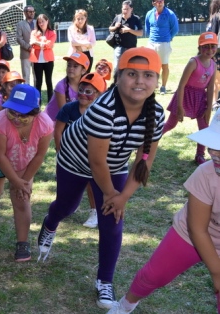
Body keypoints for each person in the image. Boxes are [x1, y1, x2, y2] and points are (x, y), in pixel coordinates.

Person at [36, 47, 166, 309]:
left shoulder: (157, 114)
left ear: (157, 79)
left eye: (148, 75)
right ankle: (49, 225)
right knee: (67, 206)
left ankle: (104, 281)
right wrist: (110, 194)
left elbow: (144, 161)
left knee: (113, 221)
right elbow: (96, 162)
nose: (140, 82)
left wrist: (123, 198)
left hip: (114, 165)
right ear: (118, 77)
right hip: (75, 160)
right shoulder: (103, 109)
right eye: (132, 74)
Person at [106, 109, 220, 314]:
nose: (214, 153)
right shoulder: (205, 173)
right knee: (154, 275)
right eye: (213, 145)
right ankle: (126, 305)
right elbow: (197, 229)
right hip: (193, 233)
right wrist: (217, 272)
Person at [0, 84, 53, 262]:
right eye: (12, 112)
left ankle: (22, 242)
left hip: (24, 160)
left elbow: (40, 155)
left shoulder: (46, 124)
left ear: (36, 112)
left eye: (24, 114)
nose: (17, 118)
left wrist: (24, 182)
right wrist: (15, 180)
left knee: (21, 198)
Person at [53, 72, 108, 229]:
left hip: (91, 157)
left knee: (91, 184)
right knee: (65, 182)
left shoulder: (101, 113)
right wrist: (60, 151)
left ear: (99, 94)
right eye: (81, 90)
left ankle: (94, 211)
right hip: (69, 155)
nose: (83, 94)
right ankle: (65, 206)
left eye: (89, 92)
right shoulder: (69, 108)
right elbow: (58, 131)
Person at [162, 33, 217, 165]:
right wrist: (180, 107)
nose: (209, 50)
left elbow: (210, 88)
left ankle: (200, 154)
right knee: (171, 124)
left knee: (204, 128)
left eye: (213, 47)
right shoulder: (194, 62)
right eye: (206, 47)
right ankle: (148, 141)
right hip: (185, 95)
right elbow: (181, 85)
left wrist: (209, 108)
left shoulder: (213, 65)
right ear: (199, 47)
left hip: (200, 98)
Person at [145, 0, 179, 94]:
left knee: (164, 65)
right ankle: (152, 85)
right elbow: (148, 28)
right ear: (153, 3)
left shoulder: (170, 14)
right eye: (158, 2)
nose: (160, 3)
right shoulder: (149, 14)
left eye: (162, 1)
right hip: (151, 43)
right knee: (150, 66)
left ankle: (163, 86)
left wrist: (169, 37)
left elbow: (175, 29)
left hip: (164, 43)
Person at [45, 52, 89, 121]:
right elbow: (64, 113)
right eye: (69, 65)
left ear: (83, 71)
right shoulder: (61, 86)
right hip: (53, 122)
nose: (71, 68)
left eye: (75, 66)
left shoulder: (87, 87)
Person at [110, 0, 143, 76]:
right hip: (119, 47)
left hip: (131, 48)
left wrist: (129, 30)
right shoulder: (118, 17)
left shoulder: (136, 19)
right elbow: (110, 29)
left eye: (127, 9)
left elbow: (140, 33)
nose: (125, 11)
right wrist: (115, 27)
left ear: (131, 9)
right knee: (117, 67)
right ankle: (116, 85)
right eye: (123, 9)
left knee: (131, 68)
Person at [30, 14, 56, 103]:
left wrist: (38, 43)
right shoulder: (34, 32)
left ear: (47, 21)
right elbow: (32, 42)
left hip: (48, 60)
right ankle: (38, 102)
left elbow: (50, 44)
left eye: (42, 22)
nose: (41, 24)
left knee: (49, 81)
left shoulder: (52, 33)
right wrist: (43, 43)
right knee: (38, 82)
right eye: (39, 22)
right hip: (37, 60)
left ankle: (50, 102)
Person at [16, 6, 36, 86]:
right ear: (24, 13)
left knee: (37, 75)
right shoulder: (20, 24)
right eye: (29, 11)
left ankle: (36, 93)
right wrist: (28, 47)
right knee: (26, 76)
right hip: (25, 53)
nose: (32, 13)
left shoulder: (38, 22)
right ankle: (27, 93)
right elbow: (19, 38)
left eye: (33, 11)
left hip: (37, 53)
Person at [207, 0, 220, 105]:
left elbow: (213, 36)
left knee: (217, 80)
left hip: (217, 51)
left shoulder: (215, 17)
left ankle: (215, 102)